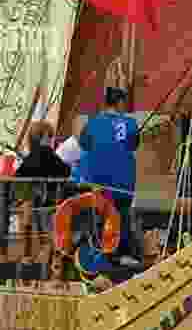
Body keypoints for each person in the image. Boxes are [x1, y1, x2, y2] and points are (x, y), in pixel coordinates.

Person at [78, 87, 141, 266]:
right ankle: (122, 255)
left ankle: (101, 255)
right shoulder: (130, 124)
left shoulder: (92, 123)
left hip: (99, 183)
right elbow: (134, 144)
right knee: (122, 217)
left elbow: (84, 144)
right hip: (123, 182)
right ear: (120, 102)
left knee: (100, 217)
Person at [14, 122, 71, 259]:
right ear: (43, 138)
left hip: (32, 209)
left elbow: (18, 179)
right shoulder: (48, 155)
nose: (52, 140)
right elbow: (66, 171)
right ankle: (48, 253)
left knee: (28, 212)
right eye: (50, 136)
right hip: (50, 206)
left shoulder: (31, 158)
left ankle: (28, 254)